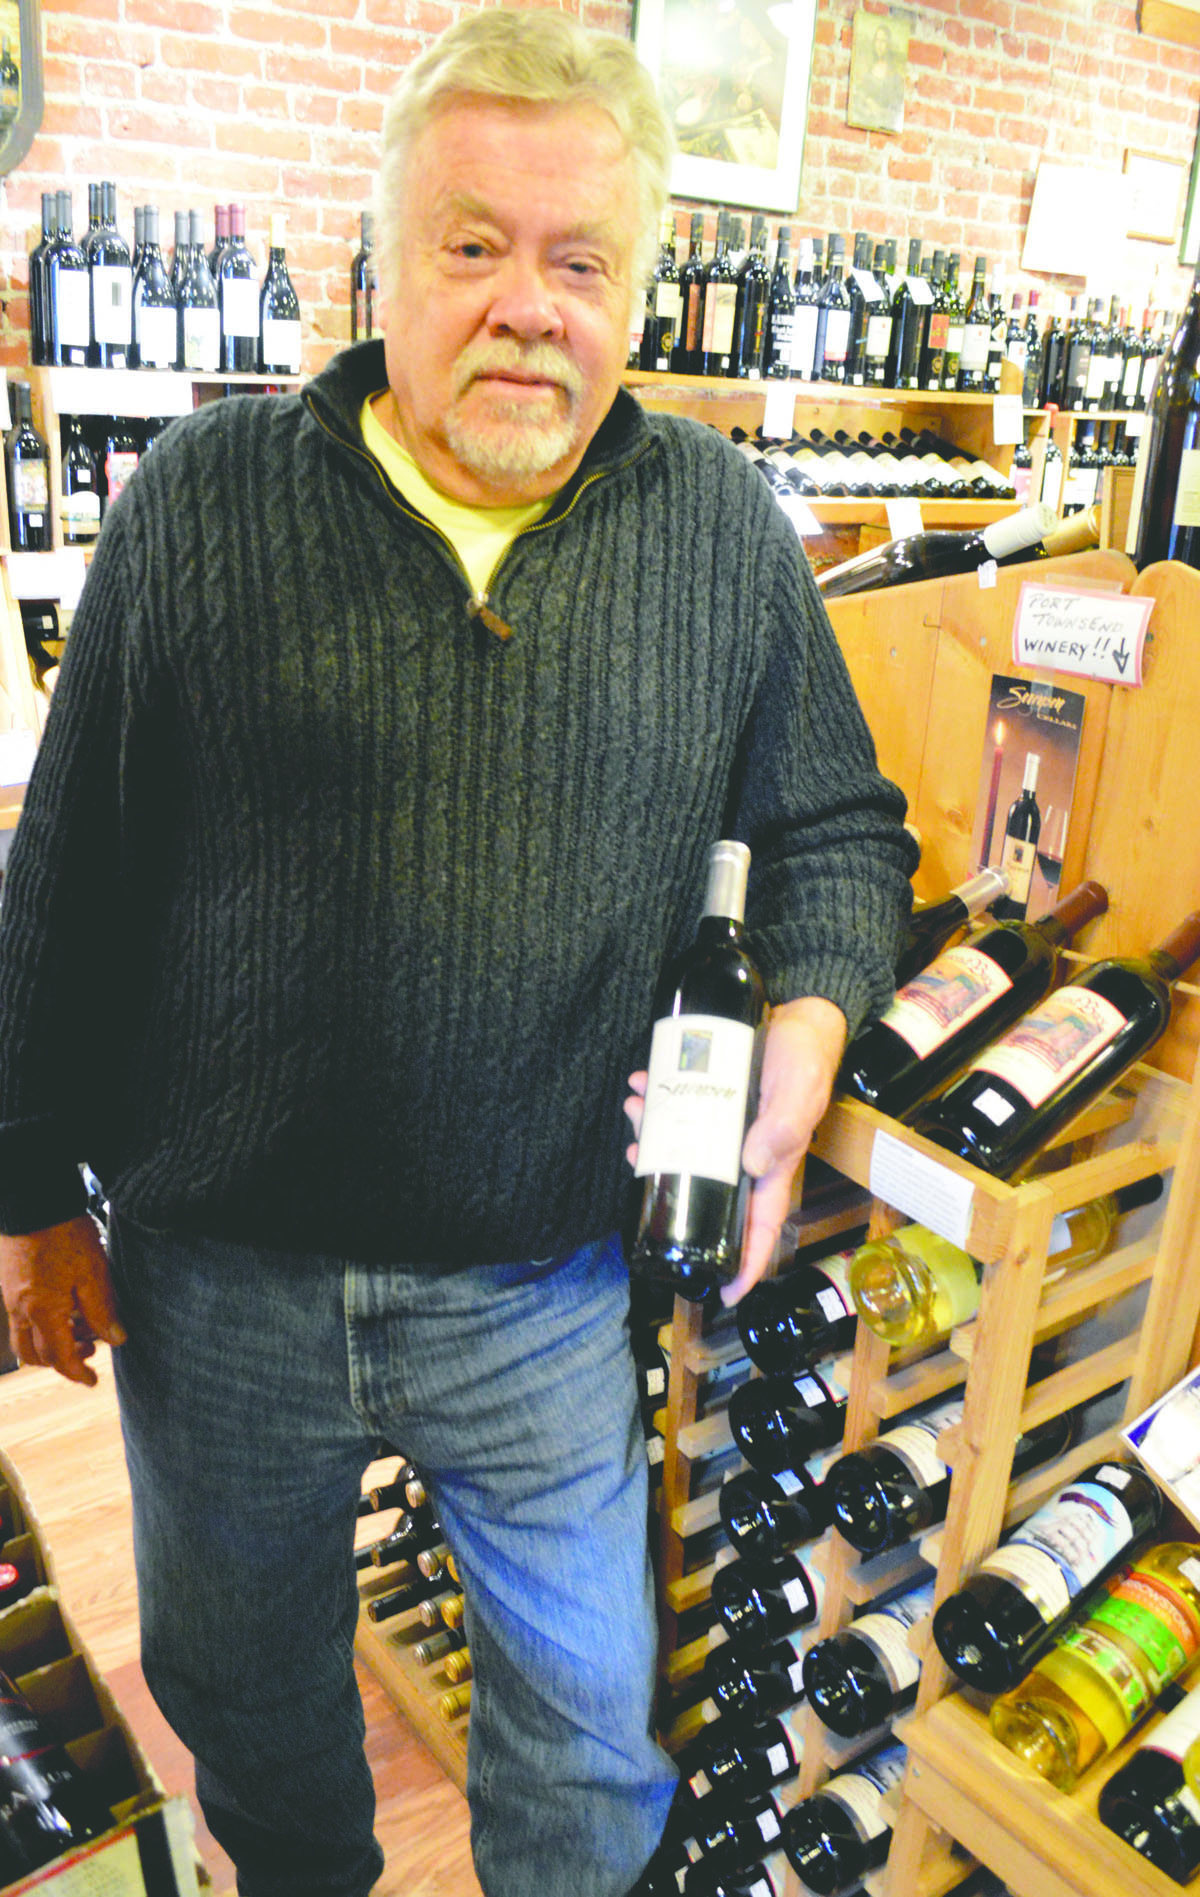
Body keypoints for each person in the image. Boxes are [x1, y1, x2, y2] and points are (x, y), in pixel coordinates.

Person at [0, 11, 916, 1897]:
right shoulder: (206, 502)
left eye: (580, 261)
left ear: (637, 296)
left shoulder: (722, 538)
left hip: (543, 1279)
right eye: (475, 245)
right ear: (381, 263)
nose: (526, 307)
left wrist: (814, 1024)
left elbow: (839, 826)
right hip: (221, 1282)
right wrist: (27, 1195)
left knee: (587, 1749)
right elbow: (65, 877)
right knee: (249, 1712)